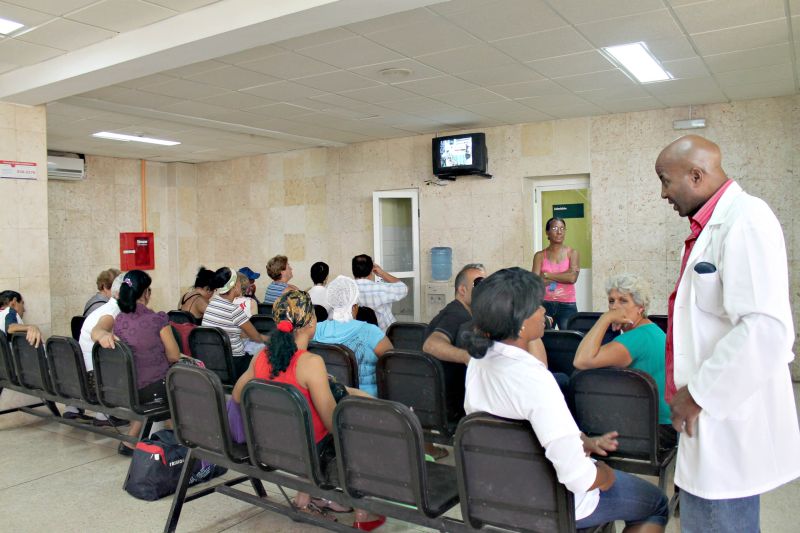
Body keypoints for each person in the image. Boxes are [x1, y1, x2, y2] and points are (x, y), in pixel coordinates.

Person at [656, 135, 800, 531]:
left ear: (696, 175)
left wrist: (698, 394)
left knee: (719, 521)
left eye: (666, 181)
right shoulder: (710, 227)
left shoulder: (746, 218)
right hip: (709, 417)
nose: (663, 193)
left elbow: (766, 329)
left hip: (726, 416)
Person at [463, 267, 668, 532]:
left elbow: (521, 431)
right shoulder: (534, 378)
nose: (544, 312)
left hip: (504, 488)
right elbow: (578, 478)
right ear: (520, 321)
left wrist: (581, 440)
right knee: (656, 504)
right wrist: (603, 475)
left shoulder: (479, 363)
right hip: (556, 499)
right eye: (537, 306)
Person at [231, 290, 384, 530]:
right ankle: (364, 512)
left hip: (270, 443)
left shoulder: (262, 357)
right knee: (356, 428)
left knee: (301, 425)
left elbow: (238, 395)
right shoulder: (311, 363)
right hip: (310, 451)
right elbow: (332, 422)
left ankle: (304, 500)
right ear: (311, 321)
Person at [573, 273, 675, 449]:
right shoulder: (649, 330)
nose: (615, 307)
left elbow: (581, 360)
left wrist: (605, 318)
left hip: (654, 430)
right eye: (611, 301)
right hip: (662, 425)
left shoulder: (636, 339)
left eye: (623, 301)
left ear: (640, 307)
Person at [94, 270, 182, 455]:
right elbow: (174, 355)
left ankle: (131, 441)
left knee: (151, 379)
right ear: (146, 293)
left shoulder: (119, 320)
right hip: (153, 389)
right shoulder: (157, 320)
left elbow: (98, 330)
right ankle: (179, 438)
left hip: (127, 387)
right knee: (182, 380)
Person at [312, 276, 392, 396]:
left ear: (332, 303)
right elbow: (393, 362)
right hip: (366, 400)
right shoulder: (370, 332)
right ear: (354, 306)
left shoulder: (316, 329)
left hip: (328, 394)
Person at [68, 273, 128, 426]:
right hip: (95, 379)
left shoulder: (107, 307)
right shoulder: (113, 312)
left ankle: (103, 414)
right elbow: (100, 332)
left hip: (86, 374)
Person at [202, 267, 269, 378]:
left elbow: (232, 331)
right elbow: (256, 337)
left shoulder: (211, 305)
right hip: (236, 363)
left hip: (215, 361)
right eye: (239, 282)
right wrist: (271, 339)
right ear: (234, 286)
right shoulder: (234, 310)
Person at [423, 263, 486, 365]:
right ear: (462, 290)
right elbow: (430, 344)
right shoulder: (456, 315)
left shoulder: (458, 310)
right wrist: (466, 357)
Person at [531, 217, 579, 329]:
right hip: (544, 303)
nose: (559, 231)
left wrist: (547, 275)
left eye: (562, 228)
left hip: (567, 304)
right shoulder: (539, 256)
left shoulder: (573, 253)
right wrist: (565, 274)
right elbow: (535, 283)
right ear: (547, 232)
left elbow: (572, 278)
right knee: (544, 339)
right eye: (555, 228)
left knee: (569, 340)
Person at [352, 254, 408, 332]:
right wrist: (382, 273)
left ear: (353, 270)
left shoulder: (346, 290)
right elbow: (403, 288)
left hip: (357, 335)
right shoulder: (381, 289)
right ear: (371, 269)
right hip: (384, 334)